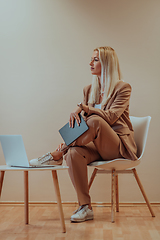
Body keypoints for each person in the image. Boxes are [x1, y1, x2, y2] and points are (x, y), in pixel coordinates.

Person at [30, 46, 137, 223]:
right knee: (73, 153)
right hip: (95, 145)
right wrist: (71, 139)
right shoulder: (89, 89)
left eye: (95, 59)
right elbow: (83, 125)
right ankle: (85, 207)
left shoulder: (123, 87)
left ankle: (57, 154)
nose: (90, 63)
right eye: (91, 59)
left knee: (95, 120)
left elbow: (110, 117)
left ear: (107, 63)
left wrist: (84, 108)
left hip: (117, 146)